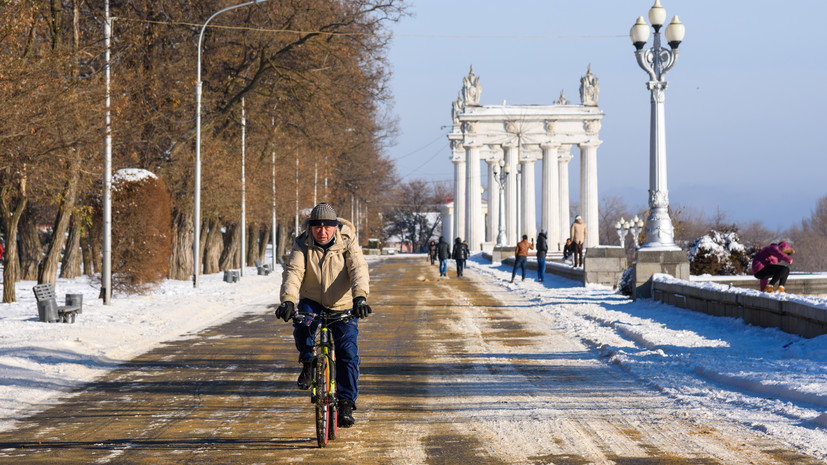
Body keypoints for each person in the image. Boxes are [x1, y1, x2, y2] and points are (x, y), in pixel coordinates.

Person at [273, 203, 372, 428]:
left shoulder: (347, 241)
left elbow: (358, 268)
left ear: (335, 227)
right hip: (313, 300)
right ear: (311, 228)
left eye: (327, 227)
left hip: (343, 302)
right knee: (302, 325)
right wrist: (288, 300)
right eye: (317, 227)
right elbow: (294, 272)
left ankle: (346, 402)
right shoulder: (302, 243)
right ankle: (308, 363)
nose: (322, 231)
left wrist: (360, 297)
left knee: (347, 352)